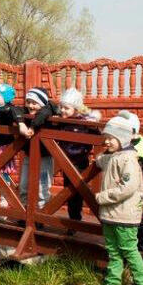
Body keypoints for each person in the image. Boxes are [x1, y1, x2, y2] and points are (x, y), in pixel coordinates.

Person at [92, 115, 143, 285]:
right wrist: (99, 158)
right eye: (105, 138)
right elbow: (102, 161)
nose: (107, 141)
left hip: (125, 216)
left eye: (111, 138)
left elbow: (128, 187)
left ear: (123, 138)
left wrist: (103, 197)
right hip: (111, 215)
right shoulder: (114, 156)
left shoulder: (129, 159)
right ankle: (113, 284)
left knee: (128, 250)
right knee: (113, 250)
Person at [56, 88, 102, 222]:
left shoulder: (85, 123)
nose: (63, 110)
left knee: (79, 191)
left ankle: (77, 219)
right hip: (66, 161)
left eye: (66, 108)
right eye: (62, 107)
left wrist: (94, 126)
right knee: (69, 191)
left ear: (76, 109)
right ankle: (73, 220)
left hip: (81, 161)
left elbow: (98, 137)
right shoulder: (61, 122)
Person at [118, 110, 143, 254]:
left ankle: (142, 246)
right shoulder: (124, 143)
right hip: (128, 185)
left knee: (137, 216)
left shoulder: (142, 144)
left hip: (142, 186)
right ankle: (128, 243)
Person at [17, 87, 58, 209]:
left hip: (45, 157)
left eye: (34, 103)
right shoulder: (25, 112)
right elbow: (14, 110)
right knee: (24, 185)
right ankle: (24, 212)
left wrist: (33, 126)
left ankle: (41, 214)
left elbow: (45, 111)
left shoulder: (48, 110)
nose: (31, 106)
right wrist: (20, 121)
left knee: (43, 187)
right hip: (28, 156)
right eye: (28, 102)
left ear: (42, 103)